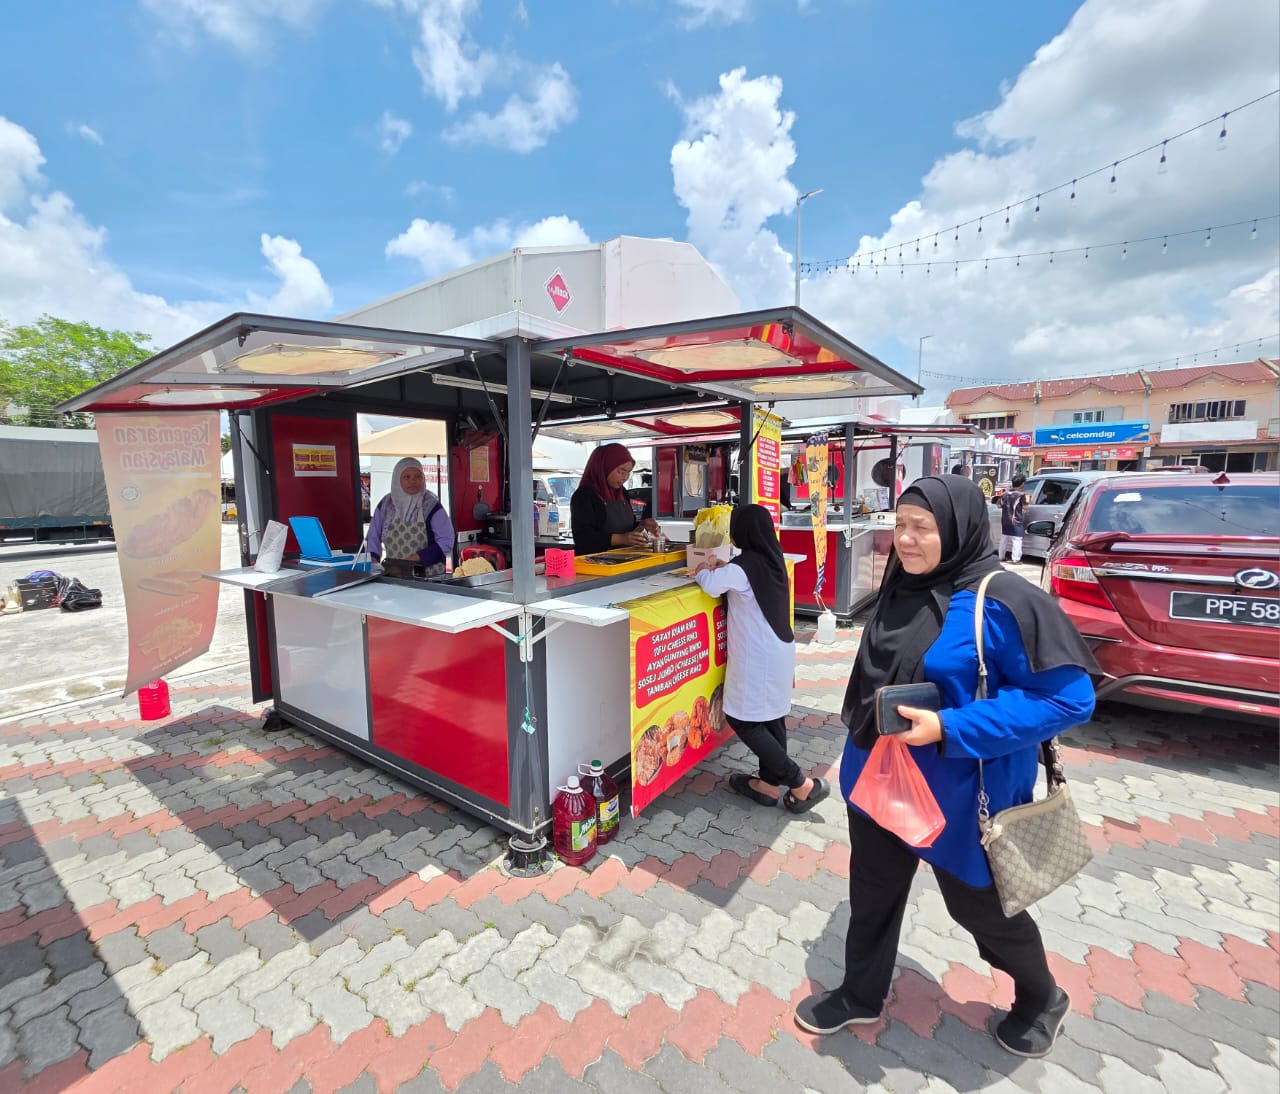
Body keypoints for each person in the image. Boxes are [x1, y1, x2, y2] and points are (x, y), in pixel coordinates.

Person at [794, 475, 1097, 1059]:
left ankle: (1042, 996)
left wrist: (952, 728)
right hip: (880, 780)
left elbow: (1067, 699)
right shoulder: (901, 585)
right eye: (899, 525)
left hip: (959, 795)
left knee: (978, 907)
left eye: (922, 529)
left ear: (959, 530)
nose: (905, 541)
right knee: (874, 892)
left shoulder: (1003, 599)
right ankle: (860, 993)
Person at [691, 505, 829, 812]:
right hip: (778, 649)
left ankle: (800, 783)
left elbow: (712, 583)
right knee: (772, 715)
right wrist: (722, 565)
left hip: (757, 655)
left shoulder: (743, 567)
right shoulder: (770, 558)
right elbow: (736, 575)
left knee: (742, 718)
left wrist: (703, 568)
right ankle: (767, 785)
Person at [367, 457, 456, 576]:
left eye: (418, 476)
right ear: (397, 478)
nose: (412, 481)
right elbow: (373, 537)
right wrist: (372, 564)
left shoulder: (431, 505)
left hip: (430, 575)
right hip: (395, 573)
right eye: (406, 477)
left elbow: (447, 540)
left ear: (423, 479)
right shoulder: (386, 504)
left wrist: (417, 558)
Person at [570, 443, 661, 554]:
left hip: (622, 559)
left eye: (628, 472)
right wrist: (622, 539)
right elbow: (584, 539)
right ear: (605, 467)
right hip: (594, 562)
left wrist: (642, 526)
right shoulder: (584, 495)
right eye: (621, 471)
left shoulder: (622, 492)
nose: (625, 477)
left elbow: (625, 529)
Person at [997, 472, 1028, 563]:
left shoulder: (1005, 494)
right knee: (1017, 540)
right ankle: (1016, 559)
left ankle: (1001, 557)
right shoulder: (1021, 494)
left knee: (1004, 539)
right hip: (1016, 520)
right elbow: (1025, 507)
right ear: (1022, 483)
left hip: (1005, 520)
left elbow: (999, 505)